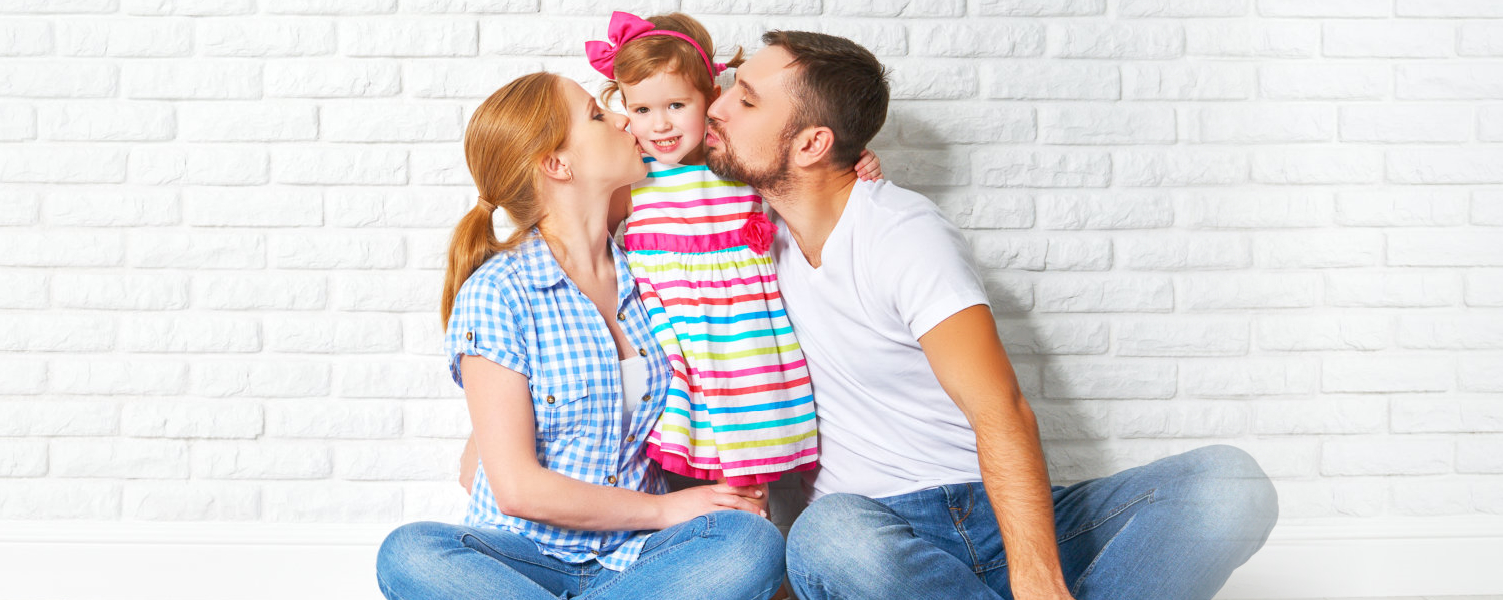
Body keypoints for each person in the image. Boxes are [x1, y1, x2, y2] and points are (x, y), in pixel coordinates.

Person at [699, 30, 1281, 600]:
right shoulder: (731, 240)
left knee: (1231, 486)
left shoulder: (901, 234)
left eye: (745, 99)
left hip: (992, 514)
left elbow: (1000, 410)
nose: (716, 107)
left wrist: (1038, 581)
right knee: (826, 537)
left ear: (811, 145)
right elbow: (633, 160)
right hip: (876, 540)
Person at [375, 72, 783, 600]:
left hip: (637, 559)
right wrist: (665, 509)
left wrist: (853, 162)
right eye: (598, 114)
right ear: (557, 164)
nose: (623, 119)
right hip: (521, 558)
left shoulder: (656, 272)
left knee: (752, 542)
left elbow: (739, 178)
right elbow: (517, 488)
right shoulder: (500, 291)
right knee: (410, 552)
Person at [587, 10, 879, 498]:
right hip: (673, 335)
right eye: (641, 111)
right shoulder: (634, 174)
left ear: (711, 98)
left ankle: (760, 548)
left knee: (750, 459)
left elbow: (803, 182)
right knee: (682, 457)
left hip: (744, 333)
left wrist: (853, 161)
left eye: (676, 105)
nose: (659, 125)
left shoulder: (737, 162)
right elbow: (591, 239)